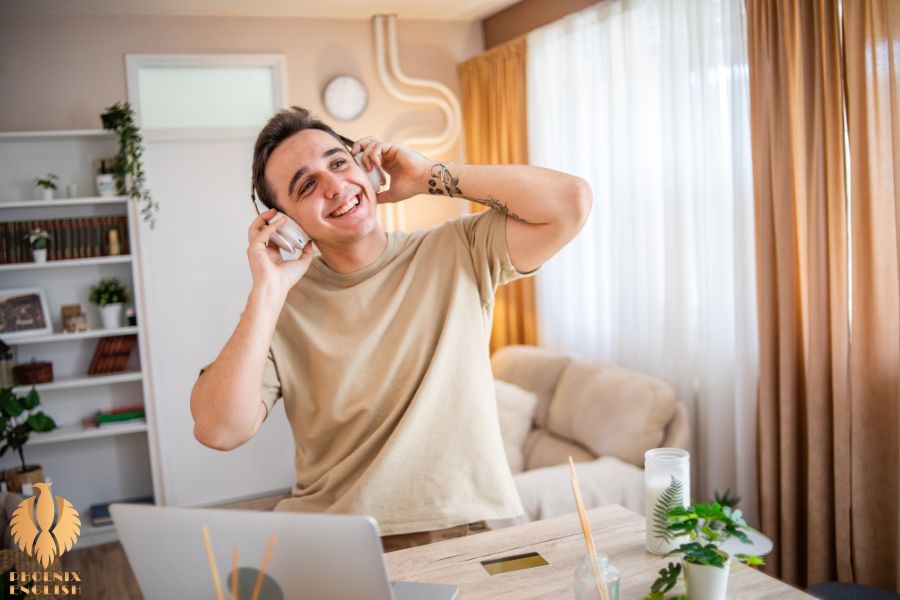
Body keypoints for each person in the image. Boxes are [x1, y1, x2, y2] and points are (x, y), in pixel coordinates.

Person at [190, 106, 592, 551]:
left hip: (464, 527)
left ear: (366, 166)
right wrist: (267, 290)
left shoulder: (458, 250)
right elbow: (219, 429)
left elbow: (570, 203)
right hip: (338, 543)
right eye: (306, 186)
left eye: (338, 162)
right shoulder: (279, 308)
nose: (335, 185)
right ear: (285, 224)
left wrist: (428, 177)